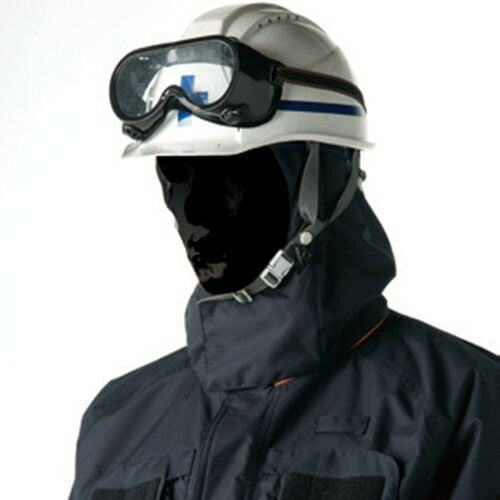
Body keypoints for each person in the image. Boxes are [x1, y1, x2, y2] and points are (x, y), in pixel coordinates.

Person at [69, 3, 500, 499]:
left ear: (328, 175)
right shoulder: (117, 423)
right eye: (175, 174)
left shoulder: (461, 402)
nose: (193, 210)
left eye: (231, 174)